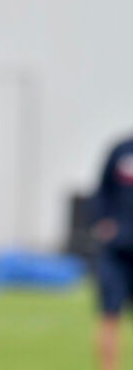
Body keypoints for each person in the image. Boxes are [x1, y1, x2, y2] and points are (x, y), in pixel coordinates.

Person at [91, 136, 133, 370]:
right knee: (110, 314)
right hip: (117, 250)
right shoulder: (121, 150)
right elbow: (102, 190)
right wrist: (103, 222)